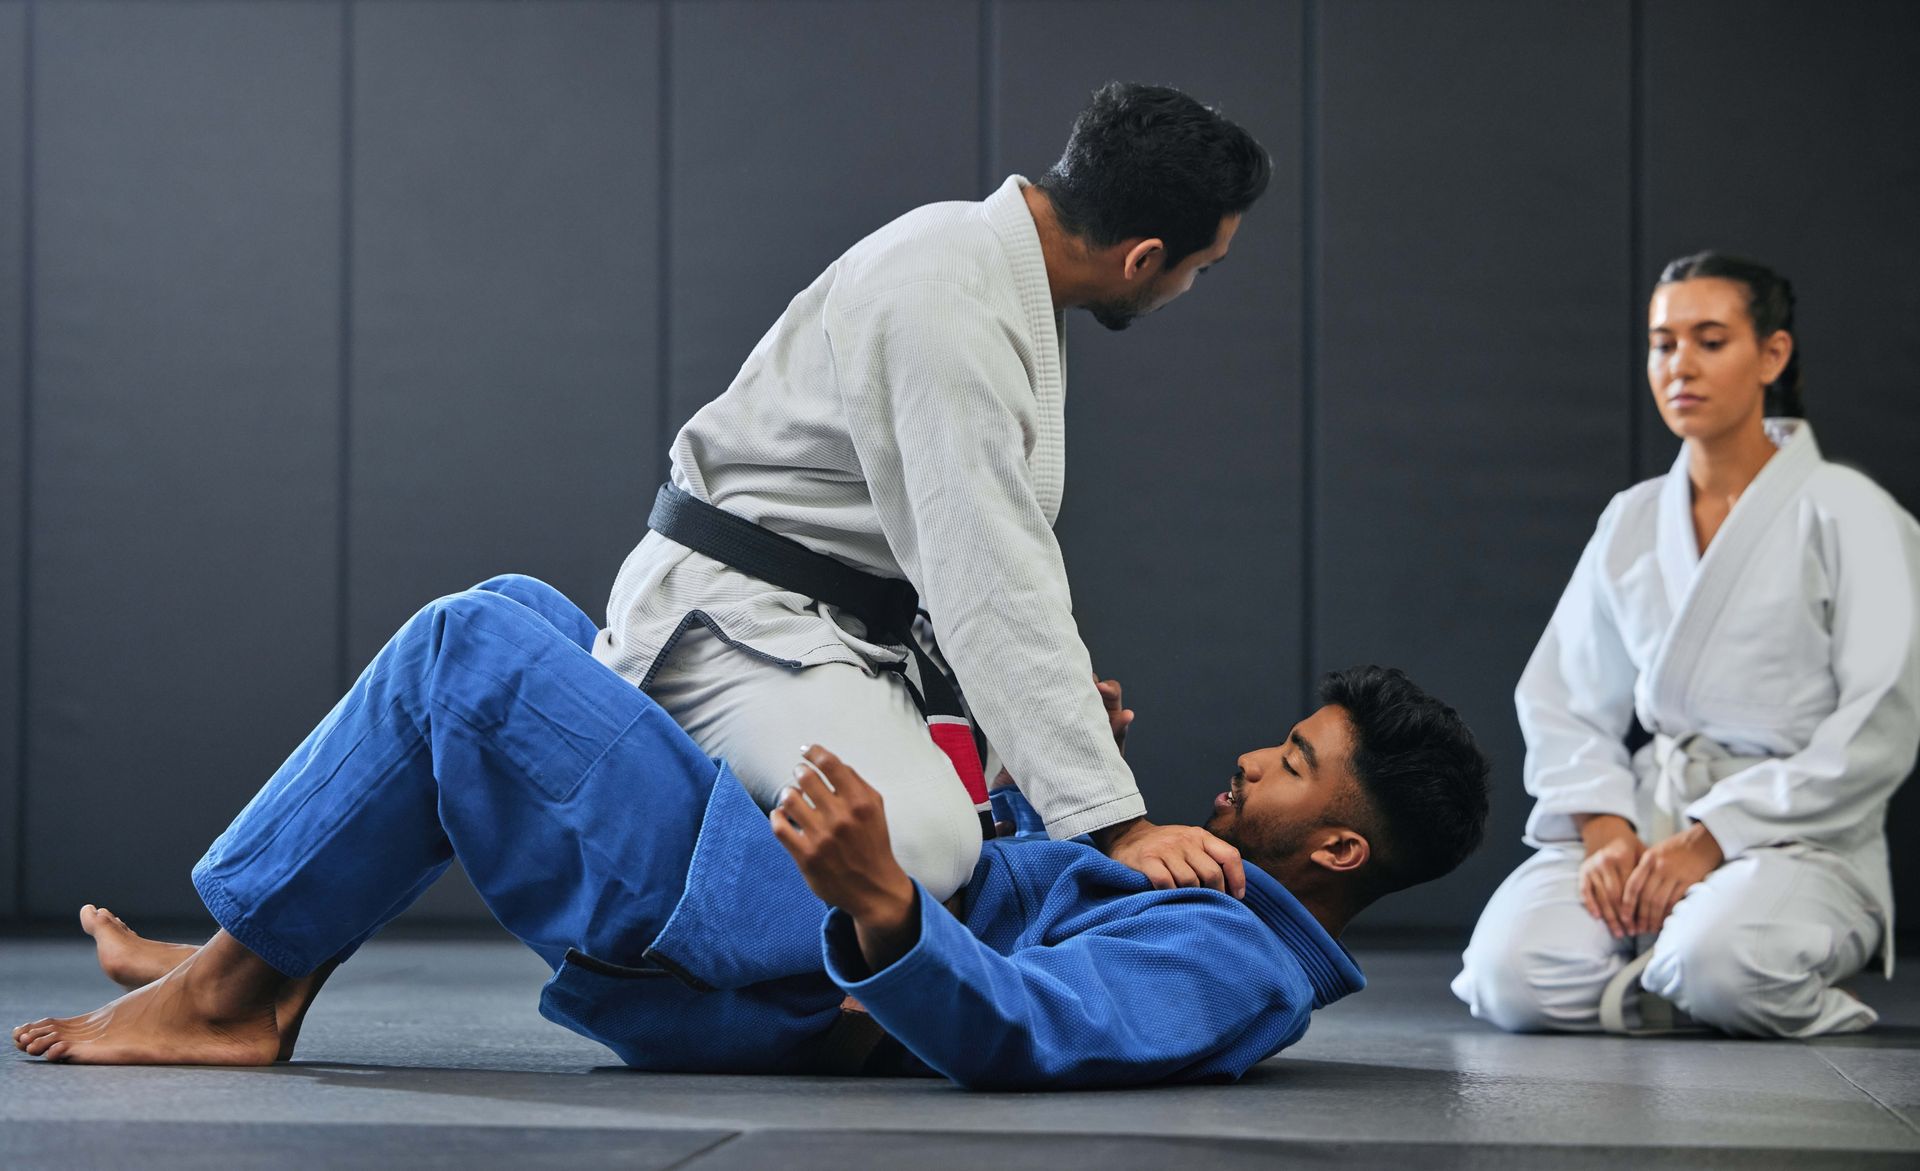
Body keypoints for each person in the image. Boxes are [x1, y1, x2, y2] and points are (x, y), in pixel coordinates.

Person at [13, 575, 1488, 1089]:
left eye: (1293, 763)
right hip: (808, 912)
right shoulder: (1194, 874)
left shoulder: (1238, 961)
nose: (1252, 757)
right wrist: (1026, 775)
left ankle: (224, 998)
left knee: (474, 645)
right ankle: (258, 956)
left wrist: (885, 910)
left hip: (792, 970)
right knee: (528, 615)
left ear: (1341, 850)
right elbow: (1031, 898)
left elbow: (1034, 1027)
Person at [594, 81, 1271, 906]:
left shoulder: (993, 273)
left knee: (969, 822)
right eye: (1200, 268)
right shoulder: (945, 299)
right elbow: (987, 578)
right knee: (922, 843)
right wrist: (1115, 823)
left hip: (823, 633)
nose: (1189, 288)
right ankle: (652, 915)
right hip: (731, 627)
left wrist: (1049, 729)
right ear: (1143, 258)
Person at [1453, 252, 1920, 1037]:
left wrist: (1717, 838)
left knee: (1721, 962)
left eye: (1710, 340)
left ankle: (1688, 972)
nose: (1681, 366)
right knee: (1510, 977)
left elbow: (1880, 724)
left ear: (1772, 354)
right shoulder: (1635, 517)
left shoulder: (1853, 513)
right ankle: (1672, 981)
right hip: (1648, 816)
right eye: (1663, 343)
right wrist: (1605, 831)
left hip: (1803, 833)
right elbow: (1561, 691)